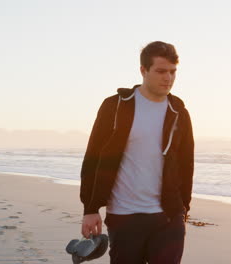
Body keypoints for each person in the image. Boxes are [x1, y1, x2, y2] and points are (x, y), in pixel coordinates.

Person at [79, 41, 194, 264]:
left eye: (172, 72)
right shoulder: (116, 106)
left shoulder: (178, 112)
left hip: (168, 217)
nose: (168, 78)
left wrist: (183, 209)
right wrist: (90, 208)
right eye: (161, 71)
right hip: (124, 215)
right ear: (143, 70)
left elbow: (186, 164)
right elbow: (92, 158)